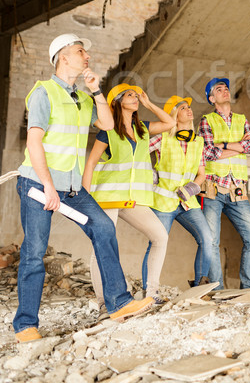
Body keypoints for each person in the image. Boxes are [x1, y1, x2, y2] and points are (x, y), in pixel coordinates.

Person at [14, 33, 154, 343]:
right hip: (39, 184)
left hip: (73, 187)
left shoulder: (81, 97)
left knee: (103, 228)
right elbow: (34, 142)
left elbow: (106, 124)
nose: (86, 57)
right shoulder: (44, 93)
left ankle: (120, 303)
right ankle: (25, 325)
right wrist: (48, 186)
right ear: (63, 57)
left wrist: (97, 91)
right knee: (35, 252)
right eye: (80, 51)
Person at [82, 83, 175, 310]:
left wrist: (149, 103)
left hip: (134, 199)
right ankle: (105, 302)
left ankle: (151, 293)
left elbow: (170, 123)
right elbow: (91, 163)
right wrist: (85, 200)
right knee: (103, 246)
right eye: (130, 95)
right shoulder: (108, 130)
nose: (135, 98)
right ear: (118, 101)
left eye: (136, 95)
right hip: (107, 198)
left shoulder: (143, 128)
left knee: (160, 237)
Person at [142, 95, 212, 289]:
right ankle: (149, 290)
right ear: (174, 114)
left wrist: (192, 188)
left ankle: (201, 287)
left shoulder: (198, 142)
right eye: (182, 108)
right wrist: (150, 173)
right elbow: (137, 153)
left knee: (207, 239)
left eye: (189, 107)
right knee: (156, 244)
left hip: (187, 202)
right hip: (164, 203)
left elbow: (201, 173)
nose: (188, 110)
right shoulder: (162, 138)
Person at [197, 77, 250, 290]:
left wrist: (224, 144)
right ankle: (217, 290)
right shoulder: (207, 120)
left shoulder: (241, 119)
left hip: (237, 190)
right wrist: (239, 146)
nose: (225, 90)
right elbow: (207, 152)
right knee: (212, 242)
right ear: (212, 98)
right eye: (219, 89)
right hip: (213, 189)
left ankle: (247, 287)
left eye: (226, 88)